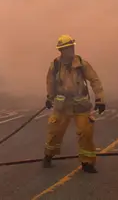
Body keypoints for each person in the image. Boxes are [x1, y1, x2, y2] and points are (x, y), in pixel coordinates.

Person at [43, 34, 106, 173]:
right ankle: (48, 155)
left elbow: (95, 80)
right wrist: (49, 97)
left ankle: (87, 163)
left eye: (71, 47)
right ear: (61, 51)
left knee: (85, 132)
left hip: (80, 105)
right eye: (66, 48)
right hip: (62, 106)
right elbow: (50, 82)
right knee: (55, 131)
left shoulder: (82, 64)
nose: (70, 50)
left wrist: (100, 99)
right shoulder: (55, 65)